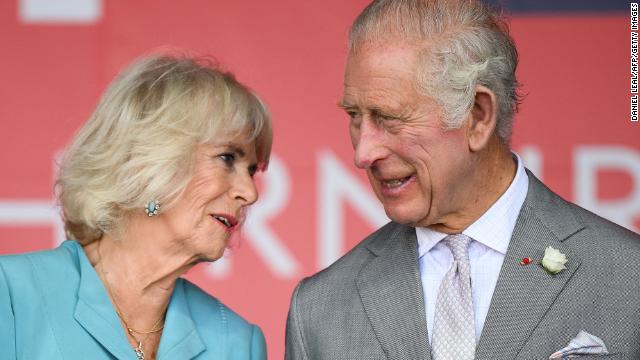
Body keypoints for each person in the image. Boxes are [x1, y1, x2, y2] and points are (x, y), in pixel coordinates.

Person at [285, 1, 640, 359]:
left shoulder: (629, 277)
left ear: (478, 116)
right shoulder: (319, 310)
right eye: (354, 116)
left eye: (389, 117)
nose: (363, 154)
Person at [0, 54, 271, 359]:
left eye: (251, 171)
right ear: (149, 159)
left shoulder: (236, 343)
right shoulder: (11, 295)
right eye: (227, 158)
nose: (250, 193)